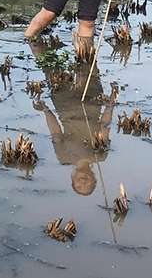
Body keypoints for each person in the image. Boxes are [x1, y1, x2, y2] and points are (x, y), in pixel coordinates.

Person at [28, 37, 115, 196]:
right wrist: (111, 104)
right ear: (94, 179)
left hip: (65, 106)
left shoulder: (64, 157)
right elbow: (104, 125)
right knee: (87, 63)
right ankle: (80, 35)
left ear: (73, 179)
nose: (82, 183)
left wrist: (46, 110)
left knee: (47, 63)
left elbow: (55, 132)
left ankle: (34, 38)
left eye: (79, 185)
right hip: (92, 103)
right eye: (88, 185)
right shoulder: (100, 156)